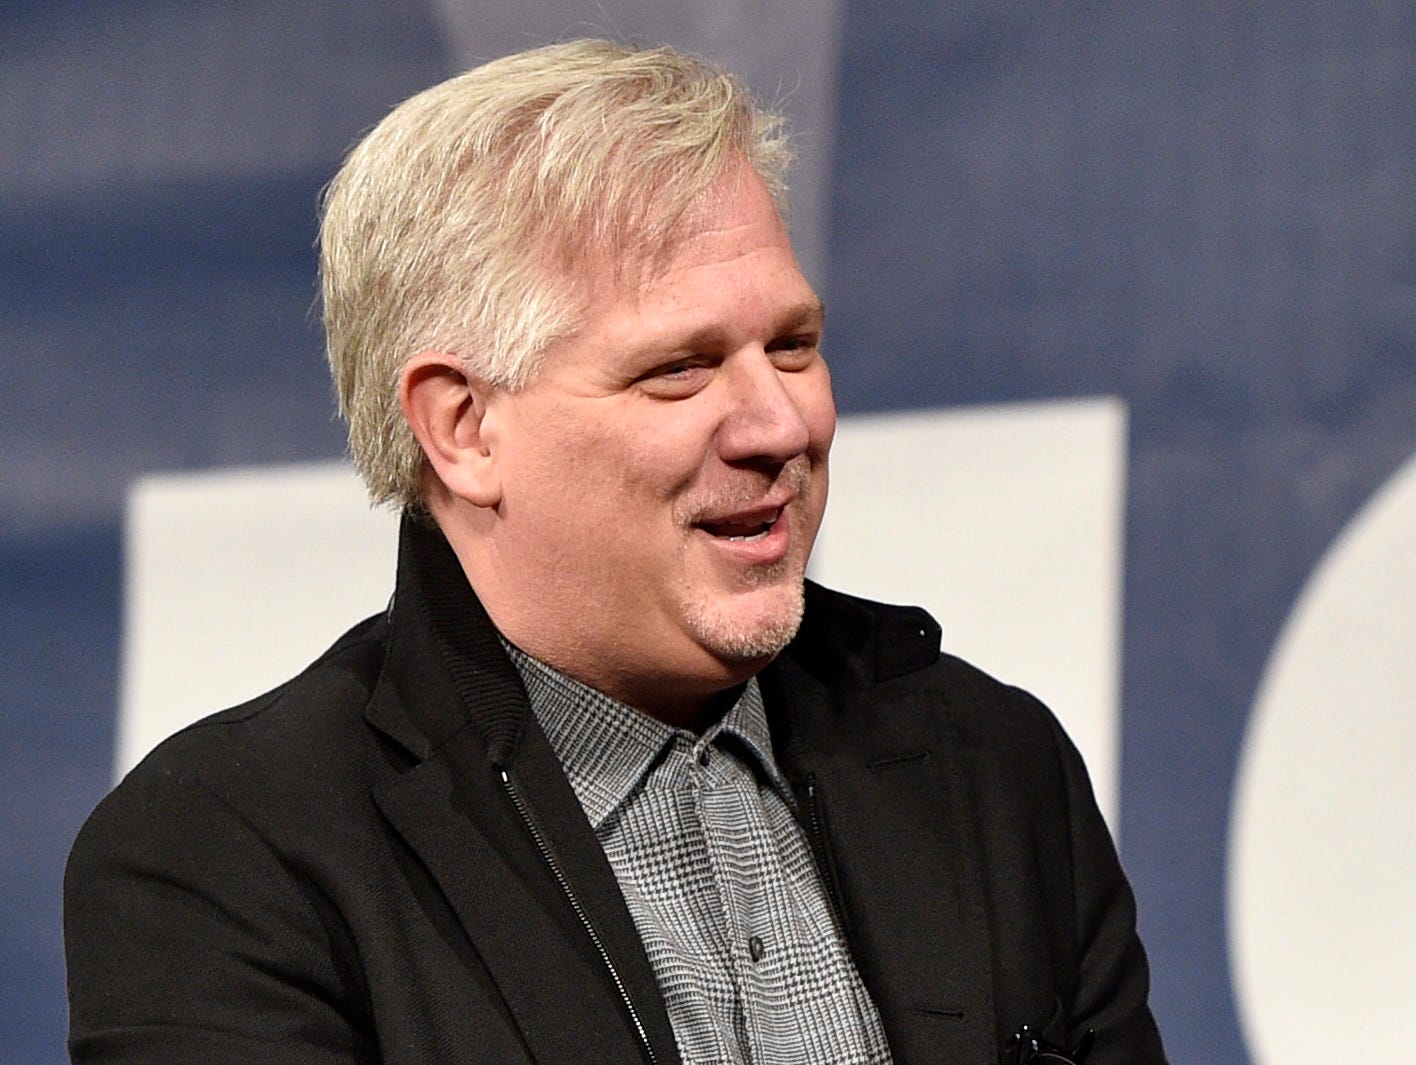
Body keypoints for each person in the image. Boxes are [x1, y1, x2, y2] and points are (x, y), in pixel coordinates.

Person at [64, 40, 1167, 1065]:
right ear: (463, 428)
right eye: (678, 370)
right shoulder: (224, 861)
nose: (779, 426)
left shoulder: (993, 767)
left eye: (792, 346)